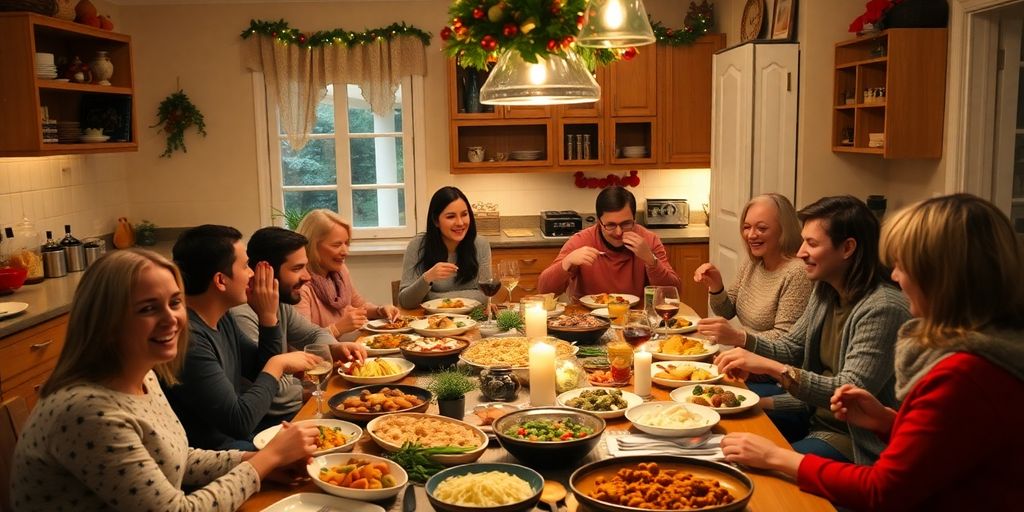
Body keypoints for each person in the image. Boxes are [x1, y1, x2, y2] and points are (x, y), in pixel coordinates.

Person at [720, 194, 1024, 511]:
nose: (894, 275)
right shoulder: (980, 354)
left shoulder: (963, 373)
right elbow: (946, 446)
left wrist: (775, 456)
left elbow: (883, 490)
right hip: (832, 424)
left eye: (904, 264)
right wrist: (887, 423)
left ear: (940, 275)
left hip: (853, 448)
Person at [10, 249, 319, 511]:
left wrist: (257, 460)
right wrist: (269, 458)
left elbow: (177, 457)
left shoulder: (143, 374)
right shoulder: (87, 411)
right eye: (147, 308)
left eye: (174, 302)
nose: (171, 318)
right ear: (106, 321)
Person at [714, 196, 910, 464]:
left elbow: (848, 393)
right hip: (811, 413)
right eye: (803, 241)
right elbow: (792, 347)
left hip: (853, 439)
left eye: (812, 243)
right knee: (722, 426)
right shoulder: (826, 289)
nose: (801, 252)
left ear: (847, 248)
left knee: (754, 471)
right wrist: (747, 345)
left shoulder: (883, 308)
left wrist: (772, 368)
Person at [163, 225, 320, 450]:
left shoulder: (222, 318)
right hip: (216, 455)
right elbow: (240, 422)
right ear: (220, 281)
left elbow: (258, 371)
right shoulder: (189, 339)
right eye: (246, 266)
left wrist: (268, 317)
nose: (253, 274)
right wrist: (279, 363)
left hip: (239, 442)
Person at [230, 227, 367, 422]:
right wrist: (308, 386)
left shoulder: (281, 306)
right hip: (274, 424)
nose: (307, 276)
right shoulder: (242, 315)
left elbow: (314, 335)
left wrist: (335, 348)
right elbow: (274, 393)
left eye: (305, 267)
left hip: (296, 410)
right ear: (265, 273)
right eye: (297, 268)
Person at [693, 193, 813, 346]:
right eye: (747, 227)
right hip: (743, 354)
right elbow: (726, 311)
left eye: (762, 228)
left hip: (768, 364)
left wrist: (736, 336)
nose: (751, 235)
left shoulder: (797, 272)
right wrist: (716, 286)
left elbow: (785, 338)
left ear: (784, 230)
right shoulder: (753, 263)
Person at [538, 186, 680, 300]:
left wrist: (651, 261)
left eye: (626, 224)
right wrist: (567, 262)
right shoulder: (581, 241)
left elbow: (673, 294)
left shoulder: (648, 240)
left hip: (636, 320)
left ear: (634, 218)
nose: (618, 232)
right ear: (599, 222)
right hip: (587, 320)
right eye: (611, 225)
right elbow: (544, 291)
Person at [295, 209, 399, 338]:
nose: (345, 252)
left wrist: (380, 310)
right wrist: (337, 328)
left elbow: (359, 305)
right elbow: (299, 344)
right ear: (312, 246)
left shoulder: (340, 271)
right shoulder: (299, 288)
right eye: (336, 245)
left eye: (347, 243)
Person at [399, 186, 492, 309]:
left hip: (472, 321)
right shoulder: (417, 246)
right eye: (451, 216)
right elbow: (405, 302)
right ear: (436, 221)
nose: (460, 222)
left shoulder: (480, 244)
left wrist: (431, 297)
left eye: (464, 214)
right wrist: (427, 278)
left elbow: (486, 296)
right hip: (430, 323)